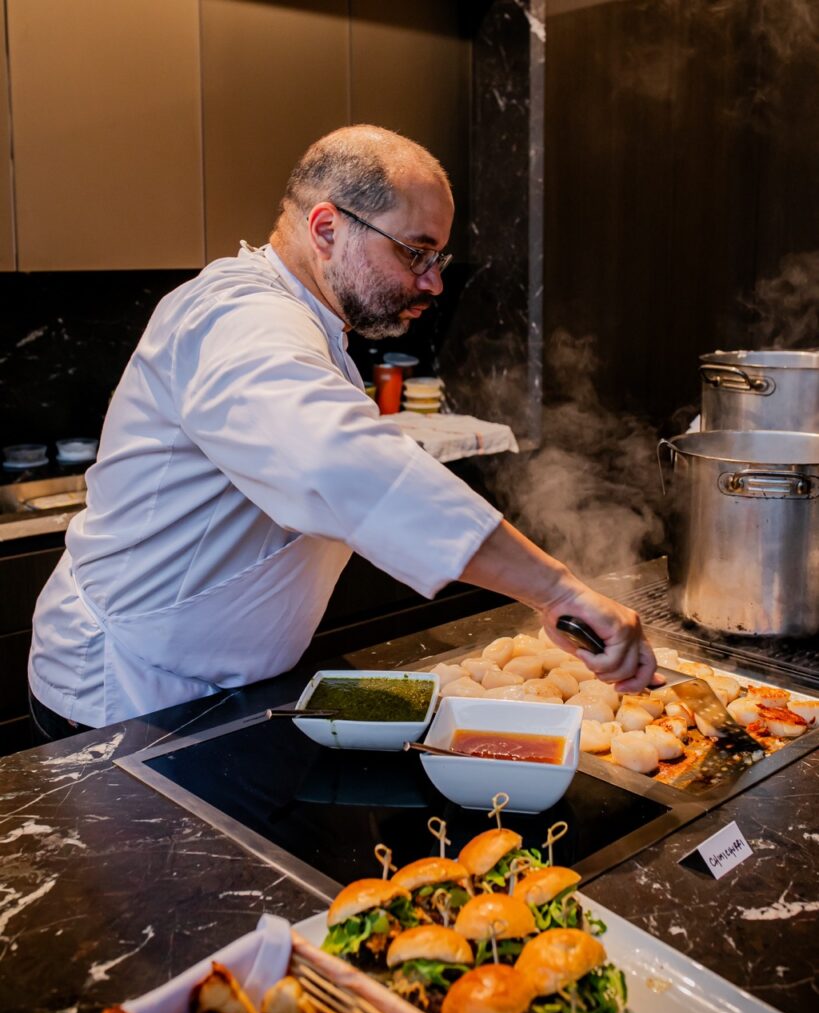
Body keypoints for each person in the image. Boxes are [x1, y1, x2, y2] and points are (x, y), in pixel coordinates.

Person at [28, 125, 656, 742]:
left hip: (220, 686)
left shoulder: (306, 323)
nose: (433, 282)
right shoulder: (239, 316)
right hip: (126, 693)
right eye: (414, 252)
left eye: (439, 259)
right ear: (327, 229)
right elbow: (341, 463)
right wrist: (556, 589)